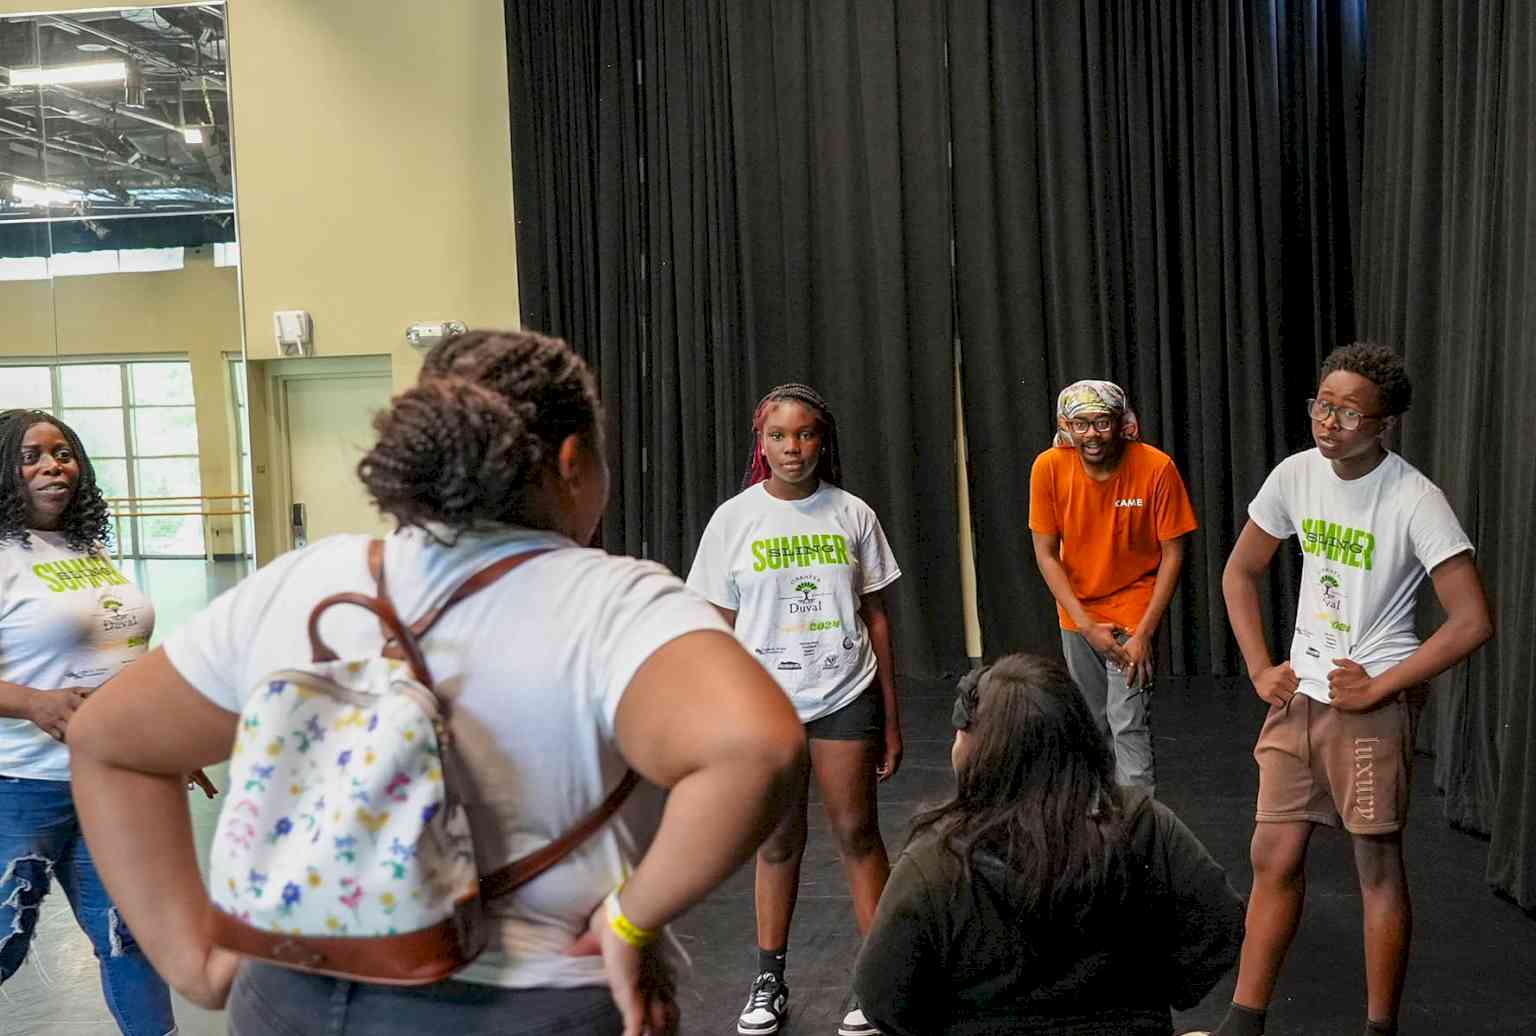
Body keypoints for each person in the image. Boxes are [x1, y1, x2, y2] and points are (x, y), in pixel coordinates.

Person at [64, 330, 807, 1036]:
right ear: (574, 461)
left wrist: (191, 961)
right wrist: (629, 919)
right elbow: (758, 750)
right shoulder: (614, 602)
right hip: (532, 1005)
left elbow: (108, 739)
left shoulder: (307, 579)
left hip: (292, 997)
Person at [1217, 342, 1494, 1036]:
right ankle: (1243, 1021)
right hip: (1298, 699)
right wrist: (1261, 667)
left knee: (1374, 865)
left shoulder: (1413, 497)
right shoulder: (1296, 476)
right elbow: (1239, 572)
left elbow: (1471, 620)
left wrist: (1383, 687)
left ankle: (1379, 1028)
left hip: (1367, 708)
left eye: (1348, 411)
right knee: (1271, 855)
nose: (1329, 421)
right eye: (1323, 404)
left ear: (1384, 423)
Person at [853, 653, 1245, 1036]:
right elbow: (1219, 928)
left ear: (980, 754)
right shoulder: (1141, 824)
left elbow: (881, 997)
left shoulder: (938, 858)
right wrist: (1153, 996)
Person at [685, 383, 903, 1036]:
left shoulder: (853, 514)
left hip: (845, 692)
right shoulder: (734, 521)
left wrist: (890, 718)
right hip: (766, 707)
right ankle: (768, 980)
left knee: (857, 834)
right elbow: (715, 629)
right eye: (778, 436)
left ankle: (879, 980)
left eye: (805, 434)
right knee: (778, 843)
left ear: (822, 442)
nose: (792, 447)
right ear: (761, 443)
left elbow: (877, 620)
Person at [0, 407, 175, 1035]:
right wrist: (32, 703)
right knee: (5, 941)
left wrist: (166, 736)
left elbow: (121, 655)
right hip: (22, 784)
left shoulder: (86, 549)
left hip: (114, 780)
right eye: (32, 456)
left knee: (129, 934)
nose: (53, 466)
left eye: (63, 452)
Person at [1028, 379, 1196, 793]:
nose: (1092, 435)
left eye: (1102, 423)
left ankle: (1138, 833)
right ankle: (1096, 824)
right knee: (1089, 723)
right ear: (1066, 427)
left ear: (1123, 423)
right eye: (1081, 425)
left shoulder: (1156, 467)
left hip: (1133, 611)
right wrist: (1085, 624)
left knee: (1129, 723)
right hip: (1078, 612)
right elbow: (1047, 553)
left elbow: (1173, 553)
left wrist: (1144, 633)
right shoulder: (1048, 467)